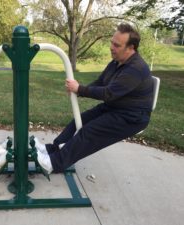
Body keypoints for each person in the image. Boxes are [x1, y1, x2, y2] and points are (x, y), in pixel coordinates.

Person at [36, 23, 154, 174]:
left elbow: (108, 93)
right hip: (115, 107)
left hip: (132, 117)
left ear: (131, 48)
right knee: (79, 120)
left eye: (117, 45)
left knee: (89, 132)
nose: (111, 47)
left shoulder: (135, 69)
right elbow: (101, 82)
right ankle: (53, 149)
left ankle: (54, 163)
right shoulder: (117, 61)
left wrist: (79, 88)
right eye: (111, 42)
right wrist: (79, 91)